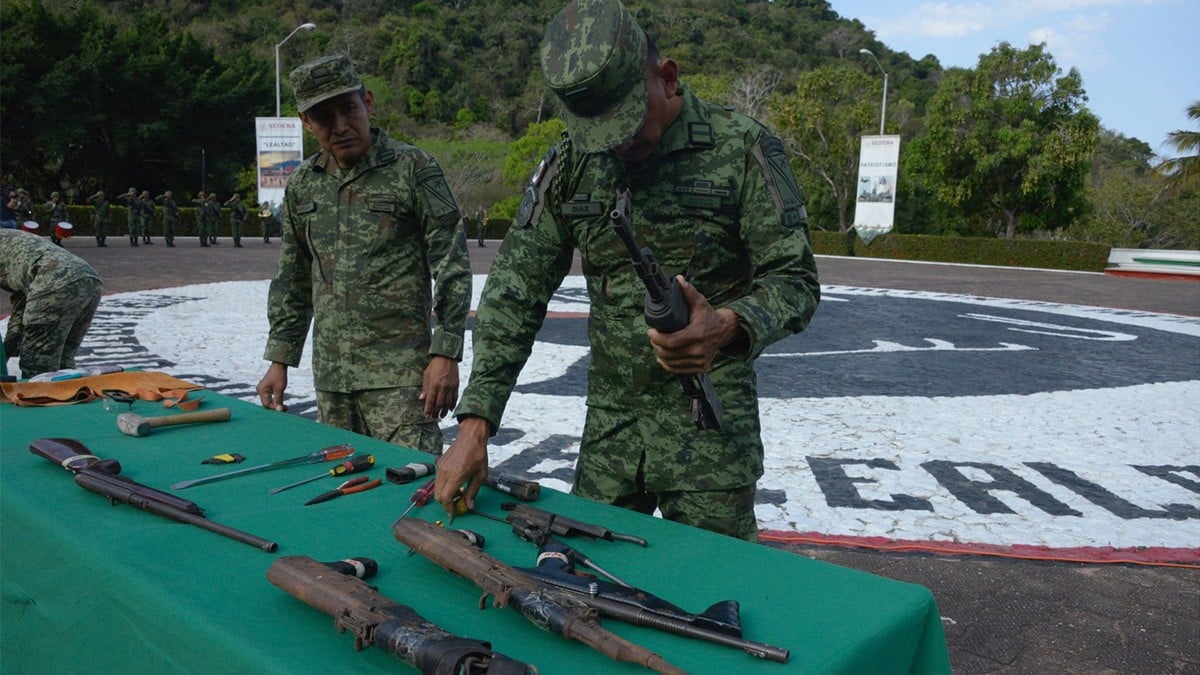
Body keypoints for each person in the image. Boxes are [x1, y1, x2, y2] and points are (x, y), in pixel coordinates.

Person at [433, 0, 820, 541]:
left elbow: (795, 280)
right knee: (584, 577)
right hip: (611, 439)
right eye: (599, 130)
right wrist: (476, 424)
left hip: (710, 443)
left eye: (627, 122)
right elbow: (514, 292)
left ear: (667, 78)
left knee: (715, 586)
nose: (617, 142)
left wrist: (726, 325)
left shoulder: (743, 149)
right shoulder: (573, 162)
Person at [255, 53, 472, 456]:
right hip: (333, 382)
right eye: (323, 117)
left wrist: (446, 353)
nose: (340, 127)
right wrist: (279, 360)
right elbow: (293, 277)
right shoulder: (303, 184)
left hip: (402, 381)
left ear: (367, 102)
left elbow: (452, 264)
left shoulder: (413, 168)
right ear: (306, 122)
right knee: (339, 484)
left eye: (348, 110)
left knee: (410, 483)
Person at [0, 229, 104, 379]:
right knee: (64, 361)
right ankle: (68, 391)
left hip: (52, 281)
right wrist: (5, 354)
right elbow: (21, 305)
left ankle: (42, 392)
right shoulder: (9, 238)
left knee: (37, 364)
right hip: (89, 280)